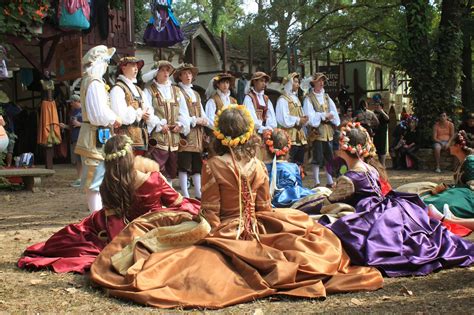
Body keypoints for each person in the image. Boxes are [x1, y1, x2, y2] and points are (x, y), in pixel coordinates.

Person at [90, 105, 383, 309]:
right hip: (254, 227)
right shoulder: (257, 165)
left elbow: (211, 215)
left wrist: (198, 229)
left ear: (220, 133)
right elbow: (264, 208)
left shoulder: (213, 165)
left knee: (151, 236)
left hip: (225, 230)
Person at [17, 135, 200, 274]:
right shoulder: (153, 179)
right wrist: (196, 212)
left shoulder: (108, 184)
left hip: (122, 230)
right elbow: (178, 203)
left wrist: (120, 243)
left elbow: (114, 221)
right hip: (152, 228)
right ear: (131, 155)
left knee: (79, 231)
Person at [319, 122, 474, 277]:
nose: (337, 149)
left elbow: (329, 202)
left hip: (369, 211)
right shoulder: (370, 168)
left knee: (340, 230)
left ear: (345, 148)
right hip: (385, 205)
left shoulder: (349, 178)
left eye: (339, 145)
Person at [74, 45, 122, 212]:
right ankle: (96, 217)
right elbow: (98, 114)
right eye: (106, 61)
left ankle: (99, 215)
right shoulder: (93, 82)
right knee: (94, 180)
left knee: (99, 179)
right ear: (99, 62)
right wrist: (114, 118)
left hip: (98, 135)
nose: (107, 65)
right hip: (94, 136)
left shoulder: (93, 81)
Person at [142, 60, 191, 183]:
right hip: (158, 138)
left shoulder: (176, 91)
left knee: (171, 171)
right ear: (155, 73)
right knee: (157, 170)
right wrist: (159, 124)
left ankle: (168, 197)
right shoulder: (149, 90)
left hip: (174, 139)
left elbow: (184, 112)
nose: (165, 73)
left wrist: (180, 125)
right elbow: (147, 111)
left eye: (167, 70)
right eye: (162, 70)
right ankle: (157, 197)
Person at [174, 63, 209, 199]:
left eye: (190, 74)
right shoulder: (178, 92)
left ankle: (199, 193)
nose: (188, 76)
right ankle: (185, 193)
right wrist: (195, 120)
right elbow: (180, 113)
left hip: (198, 134)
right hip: (186, 132)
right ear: (180, 76)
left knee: (196, 164)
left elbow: (203, 112)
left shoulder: (196, 94)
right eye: (185, 74)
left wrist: (204, 120)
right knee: (184, 163)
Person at [422, 130, 474, 218]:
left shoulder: (470, 162)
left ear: (457, 146)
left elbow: (472, 187)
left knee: (440, 202)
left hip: (469, 199)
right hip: (462, 194)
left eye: (450, 144)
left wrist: (453, 189)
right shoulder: (463, 162)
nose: (448, 147)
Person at [303, 72, 340, 188]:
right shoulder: (309, 98)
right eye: (319, 80)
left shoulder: (326, 97)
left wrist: (332, 116)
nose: (321, 83)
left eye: (322, 81)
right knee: (317, 157)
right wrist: (322, 115)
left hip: (328, 131)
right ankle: (317, 182)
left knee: (329, 157)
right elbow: (310, 116)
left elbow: (334, 111)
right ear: (313, 83)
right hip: (317, 132)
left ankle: (329, 181)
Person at [263, 128, 315, 207]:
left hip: (270, 207)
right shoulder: (294, 168)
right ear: (288, 148)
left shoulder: (263, 168)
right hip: (292, 206)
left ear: (267, 149)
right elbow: (299, 189)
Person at [110, 56, 152, 154]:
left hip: (141, 139)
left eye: (137, 66)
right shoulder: (117, 89)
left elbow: (148, 109)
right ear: (123, 68)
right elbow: (121, 116)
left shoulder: (138, 90)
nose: (136, 68)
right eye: (133, 65)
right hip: (125, 141)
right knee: (127, 167)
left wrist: (147, 115)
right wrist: (140, 113)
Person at [276, 72, 308, 168]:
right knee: (289, 161)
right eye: (295, 82)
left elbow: (300, 113)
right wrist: (298, 120)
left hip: (300, 136)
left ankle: (298, 181)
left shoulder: (296, 99)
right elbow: (283, 119)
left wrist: (304, 119)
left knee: (299, 163)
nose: (298, 84)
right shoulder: (282, 100)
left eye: (298, 82)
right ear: (289, 83)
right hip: (289, 136)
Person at [242, 71, 277, 136]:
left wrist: (269, 127)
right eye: (261, 81)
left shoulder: (266, 99)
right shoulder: (249, 98)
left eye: (265, 81)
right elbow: (250, 118)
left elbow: (271, 116)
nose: (264, 84)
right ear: (254, 82)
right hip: (254, 133)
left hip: (267, 132)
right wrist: (262, 128)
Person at [59, 95, 83, 187]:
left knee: (84, 159)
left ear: (77, 101)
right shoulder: (72, 112)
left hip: (82, 138)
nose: (71, 104)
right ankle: (79, 178)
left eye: (72, 102)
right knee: (78, 160)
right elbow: (71, 126)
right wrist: (65, 126)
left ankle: (85, 179)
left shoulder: (84, 111)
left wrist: (79, 124)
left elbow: (90, 123)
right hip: (74, 138)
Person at [0, 91, 21, 166]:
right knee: (10, 150)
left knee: (3, 150)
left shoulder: (5, 108)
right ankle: (8, 165)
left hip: (3, 131)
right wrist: (14, 104)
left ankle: (3, 165)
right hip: (9, 131)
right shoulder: (9, 107)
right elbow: (19, 110)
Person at [372, 102, 390, 167]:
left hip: (382, 133)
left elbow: (388, 119)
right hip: (375, 133)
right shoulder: (373, 113)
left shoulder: (384, 113)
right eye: (375, 105)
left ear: (381, 107)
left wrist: (382, 112)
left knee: (382, 148)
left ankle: (383, 164)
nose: (376, 107)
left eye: (378, 106)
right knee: (375, 148)